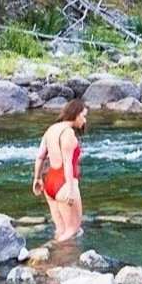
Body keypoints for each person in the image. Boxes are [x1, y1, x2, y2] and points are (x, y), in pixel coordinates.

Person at [33, 99, 88, 242]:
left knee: (61, 230)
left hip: (50, 183)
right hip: (64, 183)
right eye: (83, 115)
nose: (85, 120)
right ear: (76, 114)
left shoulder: (51, 129)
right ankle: (53, 250)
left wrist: (37, 179)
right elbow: (68, 163)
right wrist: (70, 189)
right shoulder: (68, 133)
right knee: (72, 230)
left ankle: (56, 260)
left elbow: (40, 157)